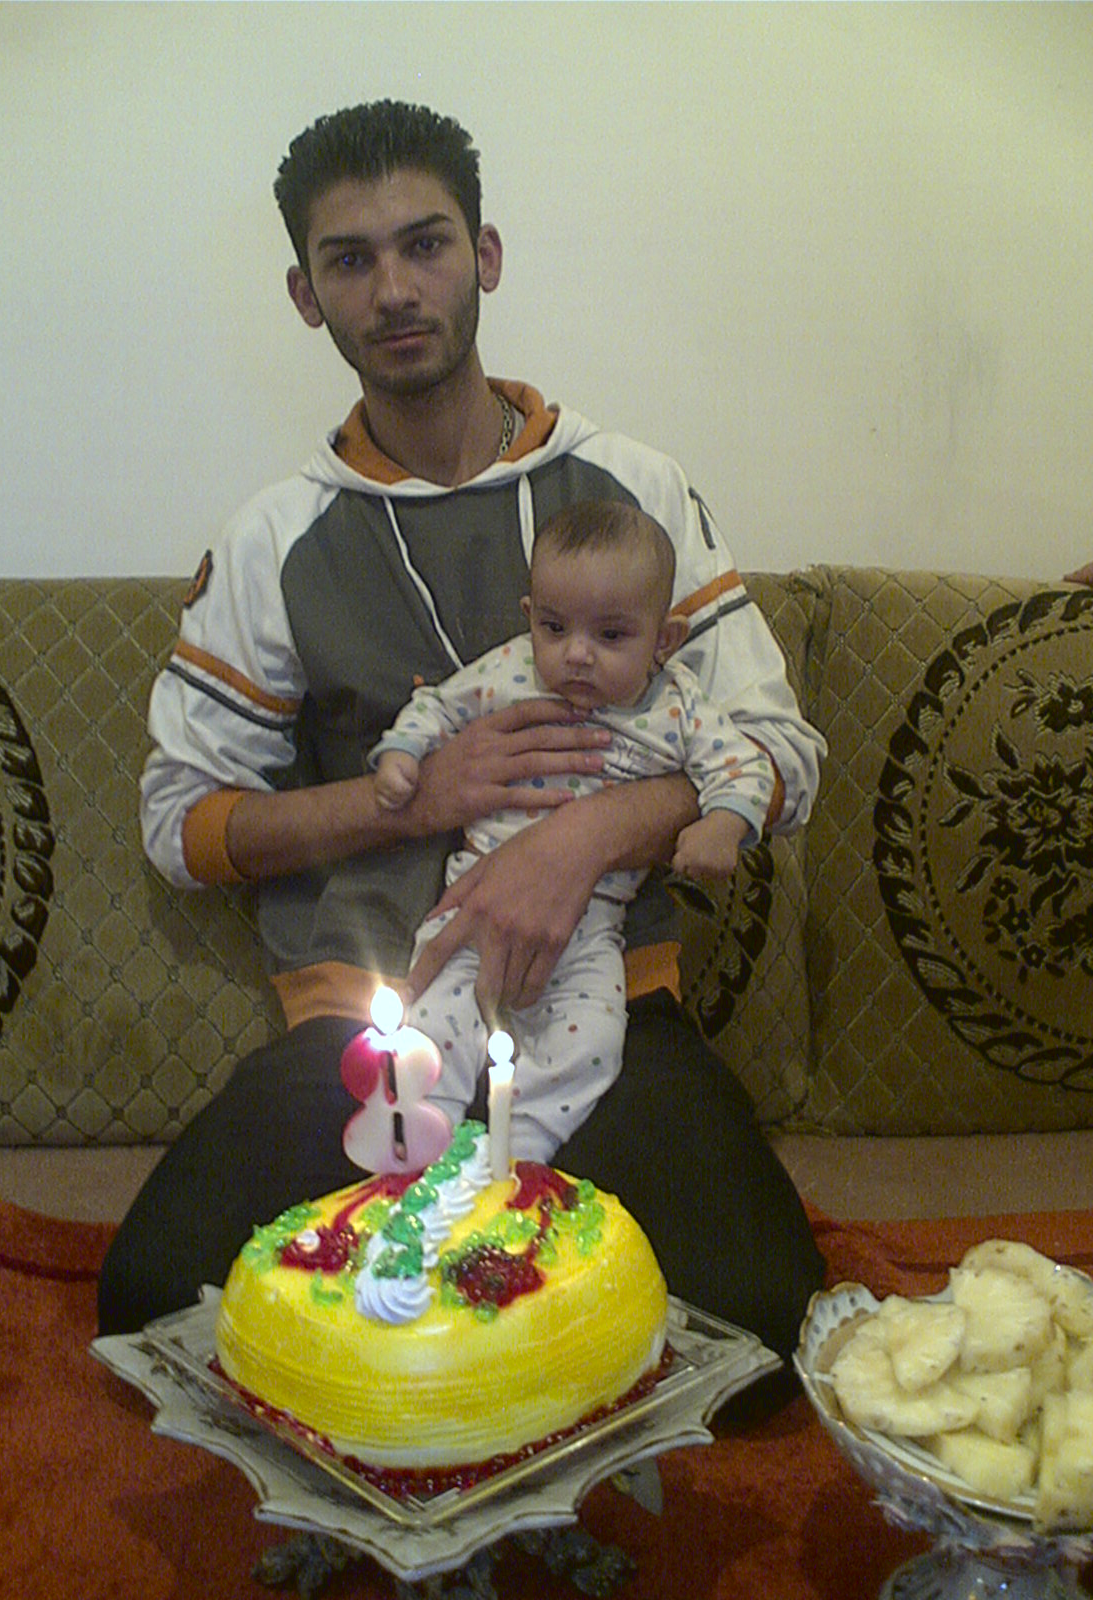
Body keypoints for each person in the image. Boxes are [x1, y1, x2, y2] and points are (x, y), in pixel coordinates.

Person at [97, 100, 828, 1360]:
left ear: (484, 255)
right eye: (349, 259)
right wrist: (417, 797)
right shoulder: (272, 539)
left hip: (608, 1000)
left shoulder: (634, 490)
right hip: (373, 1018)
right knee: (154, 1298)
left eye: (425, 244)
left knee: (760, 1324)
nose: (393, 288)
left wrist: (587, 834)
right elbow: (182, 828)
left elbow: (781, 751)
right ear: (305, 294)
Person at [373, 498, 775, 1159]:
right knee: (433, 1025)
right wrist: (402, 753)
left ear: (664, 641)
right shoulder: (510, 672)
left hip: (591, 932)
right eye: (555, 628)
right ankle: (418, 1142)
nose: (577, 655)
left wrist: (725, 823)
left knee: (591, 1044)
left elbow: (745, 765)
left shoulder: (676, 706)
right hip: (473, 908)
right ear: (530, 617)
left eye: (611, 636)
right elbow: (437, 707)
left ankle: (523, 1149)